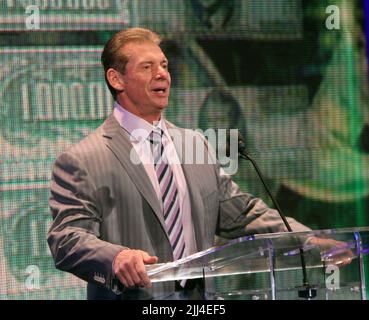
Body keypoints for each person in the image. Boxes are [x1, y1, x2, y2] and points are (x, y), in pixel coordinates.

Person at [47, 27, 342, 300]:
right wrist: (115, 258)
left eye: (164, 65)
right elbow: (67, 239)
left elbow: (243, 213)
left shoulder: (194, 144)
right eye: (147, 67)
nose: (162, 74)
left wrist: (308, 239)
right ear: (116, 79)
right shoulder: (83, 159)